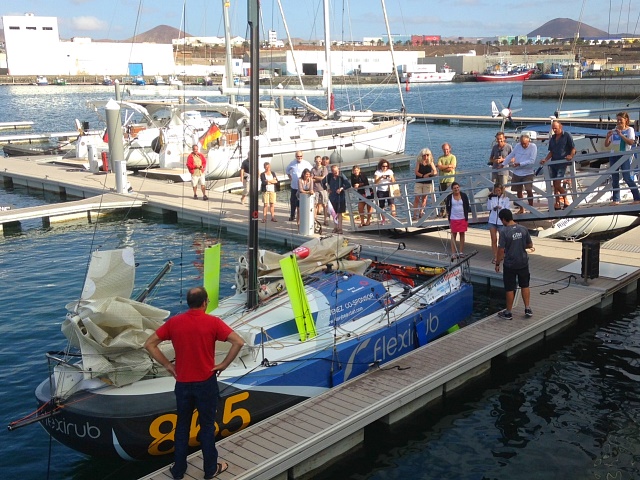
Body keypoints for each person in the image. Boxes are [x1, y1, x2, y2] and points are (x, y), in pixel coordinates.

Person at [144, 287, 245, 480]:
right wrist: (223, 364)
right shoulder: (213, 322)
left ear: (189, 303)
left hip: (182, 384)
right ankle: (210, 470)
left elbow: (149, 344)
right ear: (205, 302)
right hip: (206, 383)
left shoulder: (174, 322)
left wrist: (167, 365)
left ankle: (179, 470)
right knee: (206, 427)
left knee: (182, 427)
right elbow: (238, 342)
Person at [495, 209, 534, 320]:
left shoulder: (504, 231)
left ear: (503, 219)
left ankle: (508, 312)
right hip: (523, 262)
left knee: (509, 288)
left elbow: (501, 250)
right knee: (525, 285)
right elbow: (530, 244)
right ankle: (527, 308)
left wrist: (497, 263)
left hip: (510, 264)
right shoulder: (523, 229)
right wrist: (521, 245)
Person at [604, 111, 640, 205]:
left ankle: (637, 198)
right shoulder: (614, 129)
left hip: (624, 155)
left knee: (627, 177)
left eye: (621, 120)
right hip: (613, 155)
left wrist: (621, 135)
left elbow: (631, 142)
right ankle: (616, 199)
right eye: (618, 119)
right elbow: (607, 145)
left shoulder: (629, 130)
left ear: (626, 120)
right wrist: (607, 137)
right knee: (614, 178)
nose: (619, 121)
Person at [540, 120, 576, 209]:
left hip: (562, 163)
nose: (554, 130)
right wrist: (546, 159)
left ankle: (565, 199)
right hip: (553, 163)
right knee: (555, 185)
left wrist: (571, 156)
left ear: (560, 127)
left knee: (557, 184)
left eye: (556, 128)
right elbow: (551, 152)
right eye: (553, 128)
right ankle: (557, 203)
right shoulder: (552, 138)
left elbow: (573, 148)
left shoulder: (567, 135)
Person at [504, 132, 537, 214]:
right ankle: (522, 208)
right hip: (517, 172)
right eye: (522, 143)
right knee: (518, 191)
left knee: (529, 189)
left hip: (528, 172)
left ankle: (531, 208)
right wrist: (503, 164)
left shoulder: (533, 147)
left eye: (525, 144)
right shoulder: (518, 146)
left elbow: (532, 160)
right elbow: (511, 155)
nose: (523, 145)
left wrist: (520, 164)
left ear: (529, 141)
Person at [322, 164, 352, 234]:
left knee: (339, 213)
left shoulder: (341, 175)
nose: (335, 173)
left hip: (340, 197)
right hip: (332, 197)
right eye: (333, 172)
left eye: (336, 171)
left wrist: (341, 188)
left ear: (338, 170)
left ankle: (340, 228)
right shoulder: (329, 176)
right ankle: (335, 227)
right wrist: (327, 189)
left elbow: (348, 185)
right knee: (333, 213)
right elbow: (322, 182)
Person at [444, 182, 470, 260]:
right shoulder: (449, 197)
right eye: (455, 188)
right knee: (453, 235)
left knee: (462, 234)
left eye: (457, 187)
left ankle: (461, 252)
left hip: (462, 217)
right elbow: (448, 207)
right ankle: (453, 253)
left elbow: (467, 205)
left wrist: (466, 215)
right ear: (452, 189)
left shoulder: (464, 196)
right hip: (453, 218)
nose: (456, 189)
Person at [487, 184, 511, 264]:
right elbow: (488, 207)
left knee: (502, 240)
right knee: (494, 239)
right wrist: (490, 200)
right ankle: (496, 256)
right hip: (492, 221)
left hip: (501, 222)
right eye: (496, 190)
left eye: (499, 190)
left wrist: (501, 207)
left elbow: (507, 209)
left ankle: (502, 254)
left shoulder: (506, 198)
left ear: (501, 190)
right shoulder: (492, 198)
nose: (497, 192)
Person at [286, 151, 312, 222]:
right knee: (293, 201)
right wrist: (290, 177)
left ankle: (304, 216)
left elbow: (311, 172)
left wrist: (309, 180)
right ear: (296, 157)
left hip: (304, 186)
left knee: (303, 202)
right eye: (298, 156)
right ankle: (292, 215)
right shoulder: (292, 163)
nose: (299, 158)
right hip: (294, 186)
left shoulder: (306, 163)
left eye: (301, 156)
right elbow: (287, 170)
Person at [413, 148, 436, 220]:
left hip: (427, 183)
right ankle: (414, 215)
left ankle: (421, 212)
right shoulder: (419, 162)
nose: (425, 156)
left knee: (424, 199)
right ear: (421, 155)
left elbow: (435, 172)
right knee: (417, 198)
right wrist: (423, 176)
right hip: (419, 182)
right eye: (424, 155)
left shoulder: (430, 162)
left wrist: (429, 174)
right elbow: (416, 172)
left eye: (427, 155)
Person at [374, 158, 396, 223]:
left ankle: (394, 218)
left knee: (392, 204)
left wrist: (390, 177)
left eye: (386, 166)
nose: (385, 167)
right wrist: (381, 177)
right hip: (381, 191)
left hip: (389, 190)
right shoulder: (378, 172)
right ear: (381, 166)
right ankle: (383, 219)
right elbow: (376, 182)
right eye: (383, 166)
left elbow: (393, 181)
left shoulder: (390, 171)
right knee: (382, 205)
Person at [312, 155, 329, 225]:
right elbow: (311, 179)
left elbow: (323, 178)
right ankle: (314, 219)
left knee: (325, 204)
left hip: (323, 189)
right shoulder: (312, 169)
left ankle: (325, 220)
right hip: (315, 188)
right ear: (314, 161)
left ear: (321, 161)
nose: (318, 162)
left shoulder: (324, 169)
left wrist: (315, 177)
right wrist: (319, 178)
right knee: (315, 204)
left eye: (319, 161)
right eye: (316, 161)